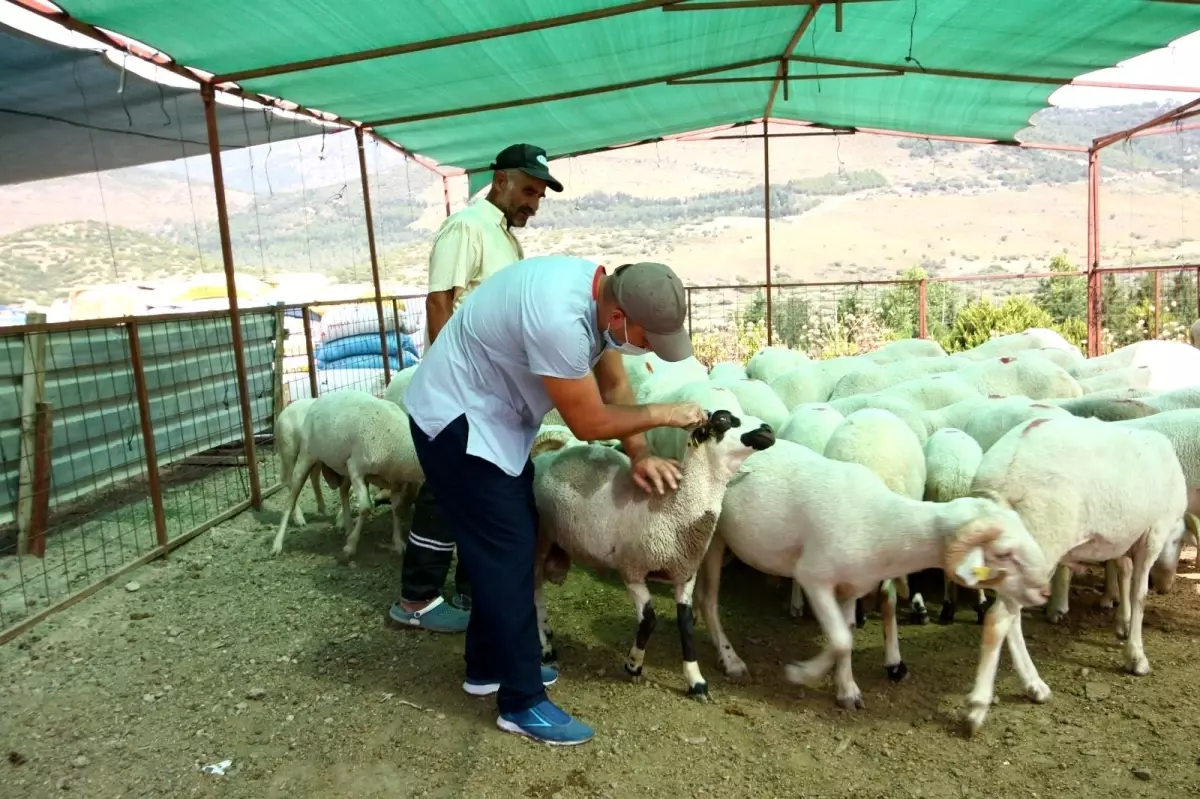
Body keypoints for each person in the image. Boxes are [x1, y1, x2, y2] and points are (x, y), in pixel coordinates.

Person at [404, 255, 707, 745]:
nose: (646, 348)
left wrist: (640, 454)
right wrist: (666, 413)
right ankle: (522, 701)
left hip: (491, 418)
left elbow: (613, 385)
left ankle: (487, 667)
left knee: (509, 543)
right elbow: (587, 423)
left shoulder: (599, 297)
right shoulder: (559, 320)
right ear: (619, 318)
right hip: (458, 421)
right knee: (507, 554)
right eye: (648, 339)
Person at [388, 144, 564, 634]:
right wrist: (456, 378)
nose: (534, 202)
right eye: (529, 190)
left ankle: (473, 592)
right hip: (464, 390)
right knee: (447, 492)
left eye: (540, 194)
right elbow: (440, 302)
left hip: (493, 392)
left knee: (489, 491)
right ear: (501, 180)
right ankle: (416, 599)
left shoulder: (505, 238)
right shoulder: (467, 226)